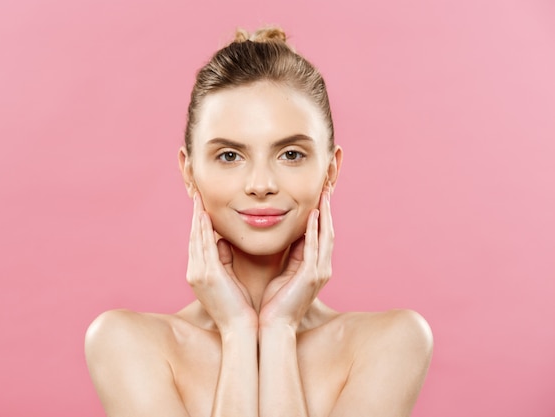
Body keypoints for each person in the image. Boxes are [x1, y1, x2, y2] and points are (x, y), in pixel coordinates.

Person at [85, 26, 433, 417]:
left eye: (291, 154)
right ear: (189, 172)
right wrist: (236, 331)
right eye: (230, 156)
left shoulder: (392, 342)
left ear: (331, 170)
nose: (262, 185)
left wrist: (279, 328)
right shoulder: (126, 343)